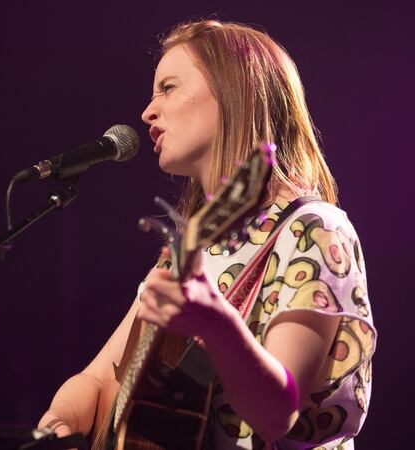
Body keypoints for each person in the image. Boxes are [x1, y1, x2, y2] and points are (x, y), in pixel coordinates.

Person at [37, 20, 375, 449]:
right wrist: (58, 421)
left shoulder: (313, 230)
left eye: (169, 87)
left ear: (234, 93)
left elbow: (276, 414)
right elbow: (100, 377)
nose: (147, 111)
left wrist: (215, 324)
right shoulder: (188, 252)